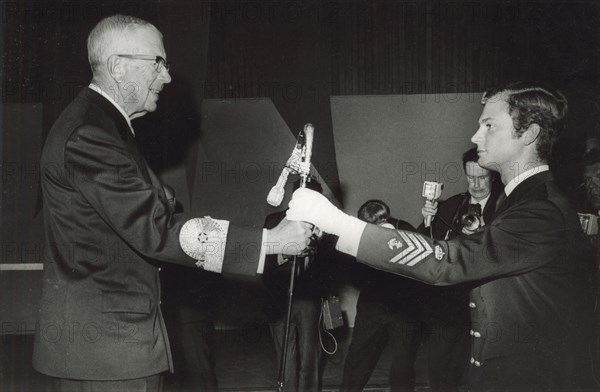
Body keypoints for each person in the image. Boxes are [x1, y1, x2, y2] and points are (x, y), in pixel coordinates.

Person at [33, 14, 311, 391]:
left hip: (106, 347)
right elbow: (157, 230)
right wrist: (270, 242)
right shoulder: (91, 135)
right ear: (117, 66)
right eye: (158, 63)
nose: (166, 77)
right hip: (110, 352)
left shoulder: (104, 127)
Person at [288, 82, 595, 390]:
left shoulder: (541, 209)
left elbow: (448, 261)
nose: (476, 137)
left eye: (489, 126)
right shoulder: (519, 200)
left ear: (529, 133)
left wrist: (337, 222)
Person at [341, 199, 426, 392]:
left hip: (404, 309)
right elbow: (354, 274)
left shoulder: (405, 229)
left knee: (403, 364)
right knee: (358, 358)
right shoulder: (360, 234)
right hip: (373, 305)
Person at [262, 178, 332, 392]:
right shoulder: (274, 220)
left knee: (310, 357)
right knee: (286, 358)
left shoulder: (326, 225)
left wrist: (318, 246)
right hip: (279, 299)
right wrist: (285, 252)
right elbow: (262, 260)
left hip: (309, 300)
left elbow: (331, 267)